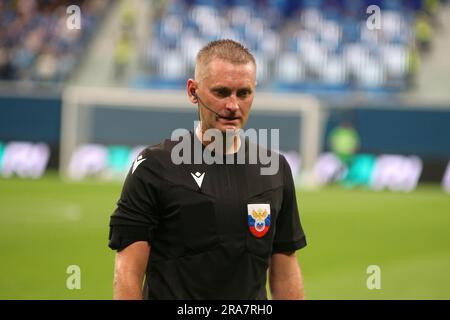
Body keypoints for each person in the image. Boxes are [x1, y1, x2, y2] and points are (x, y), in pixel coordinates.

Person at [108, 39, 307, 300]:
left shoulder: (274, 169)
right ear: (193, 91)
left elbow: (285, 269)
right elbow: (128, 272)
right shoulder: (154, 166)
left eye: (244, 93)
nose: (233, 105)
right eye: (222, 92)